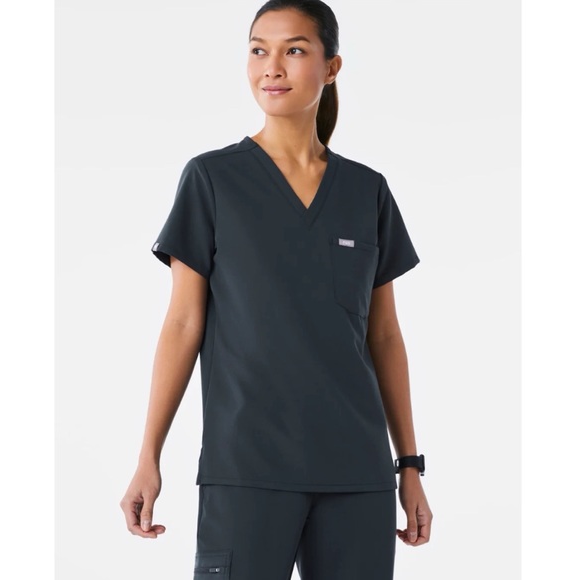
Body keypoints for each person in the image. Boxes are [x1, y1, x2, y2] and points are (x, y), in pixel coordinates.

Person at [120, 0, 433, 578]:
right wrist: (148, 456)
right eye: (259, 50)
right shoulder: (212, 179)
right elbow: (183, 324)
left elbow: (385, 336)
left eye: (294, 50)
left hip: (357, 475)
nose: (272, 66)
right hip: (246, 471)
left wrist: (408, 465)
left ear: (332, 67)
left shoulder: (367, 191)